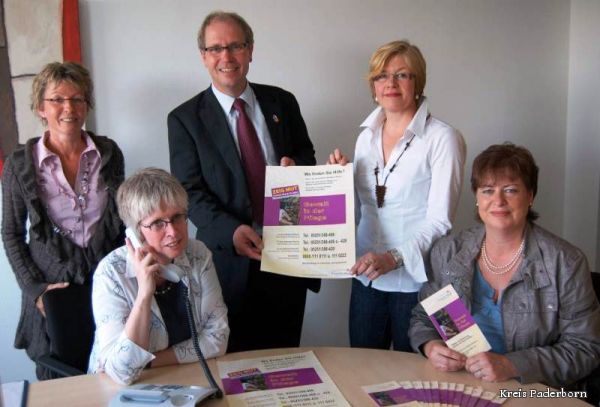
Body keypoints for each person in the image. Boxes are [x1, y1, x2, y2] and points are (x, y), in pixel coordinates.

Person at [168, 11, 319, 352]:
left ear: (250, 50)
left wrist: (297, 167)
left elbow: (306, 155)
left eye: (236, 45)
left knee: (286, 361)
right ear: (203, 56)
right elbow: (188, 191)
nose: (227, 56)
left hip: (288, 256)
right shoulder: (184, 119)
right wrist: (232, 232)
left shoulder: (283, 101)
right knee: (234, 368)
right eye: (216, 48)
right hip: (227, 265)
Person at [409, 143, 600, 388]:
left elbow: (586, 348)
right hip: (458, 383)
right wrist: (431, 346)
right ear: (477, 197)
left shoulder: (566, 262)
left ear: (530, 196)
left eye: (510, 190)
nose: (498, 201)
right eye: (487, 190)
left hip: (532, 392)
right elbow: (423, 319)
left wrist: (513, 365)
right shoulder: (448, 251)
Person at [327, 40, 466, 351]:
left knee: (415, 381)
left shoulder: (443, 139)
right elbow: (367, 207)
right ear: (373, 86)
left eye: (402, 75)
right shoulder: (365, 138)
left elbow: (440, 221)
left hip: (416, 283)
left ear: (418, 83)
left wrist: (394, 258)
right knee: (363, 371)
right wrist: (335, 181)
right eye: (381, 76)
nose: (390, 83)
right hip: (366, 278)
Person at [1, 62, 124, 380]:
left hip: (107, 291)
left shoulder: (109, 153)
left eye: (77, 98)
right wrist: (36, 290)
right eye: (57, 99)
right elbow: (12, 233)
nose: (68, 107)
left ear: (87, 105)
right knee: (59, 387)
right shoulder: (20, 164)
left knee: (112, 377)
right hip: (52, 301)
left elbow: (123, 222)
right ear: (41, 107)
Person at [87, 168, 229, 385]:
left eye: (177, 217)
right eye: (157, 223)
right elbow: (121, 371)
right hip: (117, 390)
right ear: (135, 233)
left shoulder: (198, 255)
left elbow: (217, 339)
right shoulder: (111, 274)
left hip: (183, 378)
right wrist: (144, 293)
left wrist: (150, 362)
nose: (173, 231)